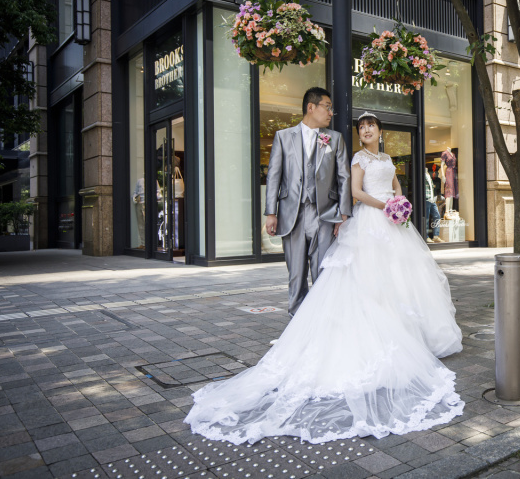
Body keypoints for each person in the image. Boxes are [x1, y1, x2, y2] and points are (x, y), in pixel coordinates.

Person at [184, 112, 464, 445]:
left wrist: (400, 201)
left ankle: (414, 335)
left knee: (405, 276)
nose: (367, 130)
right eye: (362, 128)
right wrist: (385, 207)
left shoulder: (388, 158)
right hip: (372, 221)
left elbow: (395, 184)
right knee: (369, 280)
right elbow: (357, 192)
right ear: (361, 135)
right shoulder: (359, 159)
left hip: (394, 221)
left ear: (380, 131)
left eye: (371, 126)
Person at [264, 87, 352, 317]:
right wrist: (270, 213)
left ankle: (321, 322)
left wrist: (343, 215)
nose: (331, 112)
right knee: (295, 273)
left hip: (325, 214)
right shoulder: (283, 137)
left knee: (322, 271)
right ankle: (296, 322)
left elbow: (344, 177)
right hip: (292, 214)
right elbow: (274, 176)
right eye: (328, 106)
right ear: (311, 107)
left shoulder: (335, 138)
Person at [425, 167, 443, 243]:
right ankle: (425, 236)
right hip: (426, 198)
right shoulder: (422, 174)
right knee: (426, 218)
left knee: (437, 215)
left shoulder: (428, 174)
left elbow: (432, 187)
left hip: (432, 199)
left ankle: (436, 236)